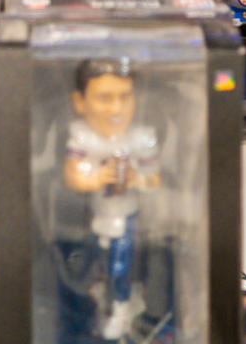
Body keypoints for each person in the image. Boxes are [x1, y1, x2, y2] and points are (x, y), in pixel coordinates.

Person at [64, 57, 162, 341]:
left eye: (124, 97)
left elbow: (155, 180)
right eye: (104, 98)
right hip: (91, 219)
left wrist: (137, 180)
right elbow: (73, 177)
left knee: (121, 267)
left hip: (126, 218)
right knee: (90, 270)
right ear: (80, 102)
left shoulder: (141, 138)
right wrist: (96, 179)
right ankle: (95, 311)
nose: (116, 109)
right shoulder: (82, 136)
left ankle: (121, 311)